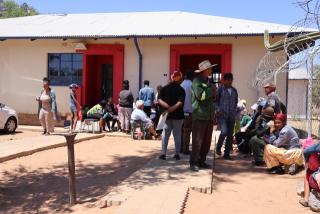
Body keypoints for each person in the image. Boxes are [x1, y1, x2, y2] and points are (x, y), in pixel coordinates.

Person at [189, 60, 217, 171]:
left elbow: (213, 97)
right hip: (199, 115)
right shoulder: (196, 81)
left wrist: (213, 92)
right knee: (197, 141)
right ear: (204, 70)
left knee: (206, 141)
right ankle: (193, 162)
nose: (211, 70)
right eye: (209, 69)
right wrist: (212, 90)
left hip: (209, 116)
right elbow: (201, 95)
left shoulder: (209, 81)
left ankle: (202, 161)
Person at [158, 70, 185, 160]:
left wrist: (167, 108)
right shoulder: (181, 90)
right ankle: (177, 154)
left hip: (167, 115)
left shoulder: (164, 88)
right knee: (177, 134)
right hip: (178, 115)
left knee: (165, 134)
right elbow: (180, 102)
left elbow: (159, 100)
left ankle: (163, 153)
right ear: (180, 79)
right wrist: (172, 108)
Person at [215, 73, 238, 160]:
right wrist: (218, 110)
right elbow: (215, 102)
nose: (229, 82)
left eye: (230, 80)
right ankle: (218, 147)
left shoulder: (234, 90)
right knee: (224, 132)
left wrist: (234, 111)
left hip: (231, 116)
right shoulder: (220, 89)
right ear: (224, 80)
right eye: (227, 80)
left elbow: (236, 101)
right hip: (222, 115)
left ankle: (227, 154)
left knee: (230, 135)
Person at [300, 139, 320, 211]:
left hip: (315, 178)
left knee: (307, 175)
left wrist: (306, 162)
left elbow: (305, 152)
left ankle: (306, 199)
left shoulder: (313, 153)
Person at [180, 70, 194, 155]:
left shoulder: (181, 84)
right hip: (189, 112)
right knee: (187, 131)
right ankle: (185, 149)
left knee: (181, 131)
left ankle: (180, 148)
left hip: (181, 112)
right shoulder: (192, 85)